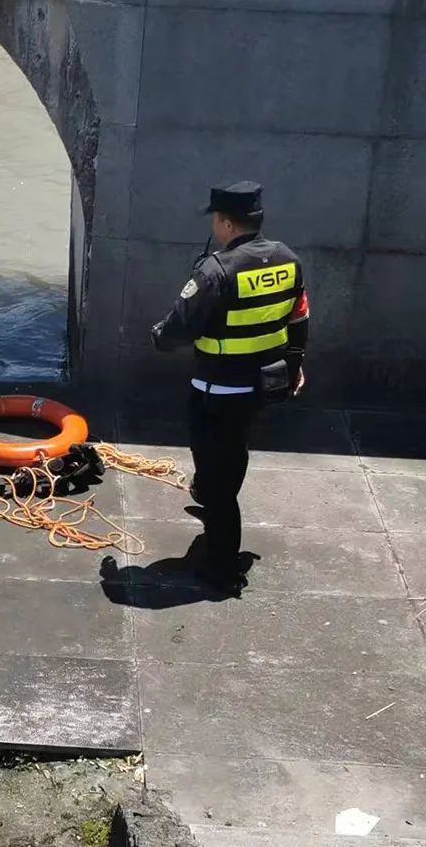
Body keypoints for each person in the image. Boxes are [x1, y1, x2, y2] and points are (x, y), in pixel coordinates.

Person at [150, 181, 309, 596]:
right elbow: (298, 318)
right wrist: (296, 366)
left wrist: (158, 335)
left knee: (218, 480)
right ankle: (212, 498)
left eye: (215, 221)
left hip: (216, 389)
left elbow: (176, 329)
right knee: (233, 452)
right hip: (262, 386)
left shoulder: (215, 272)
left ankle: (221, 571)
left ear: (224, 222)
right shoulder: (287, 260)